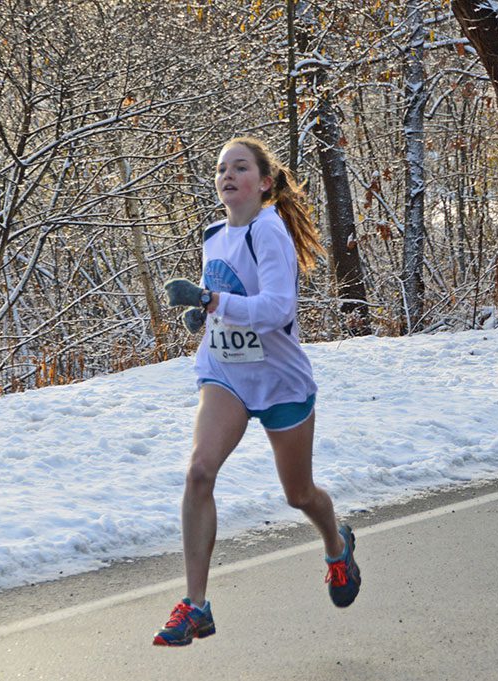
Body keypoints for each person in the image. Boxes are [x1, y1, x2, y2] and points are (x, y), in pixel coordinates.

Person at [153, 136, 361, 647]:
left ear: (265, 183)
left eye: (240, 167)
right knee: (199, 471)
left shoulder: (269, 231)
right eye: (221, 168)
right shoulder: (213, 235)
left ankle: (337, 546)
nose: (227, 175)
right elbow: (226, 299)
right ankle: (196, 605)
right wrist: (204, 314)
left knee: (299, 494)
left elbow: (276, 310)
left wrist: (212, 300)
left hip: (278, 380)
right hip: (225, 373)